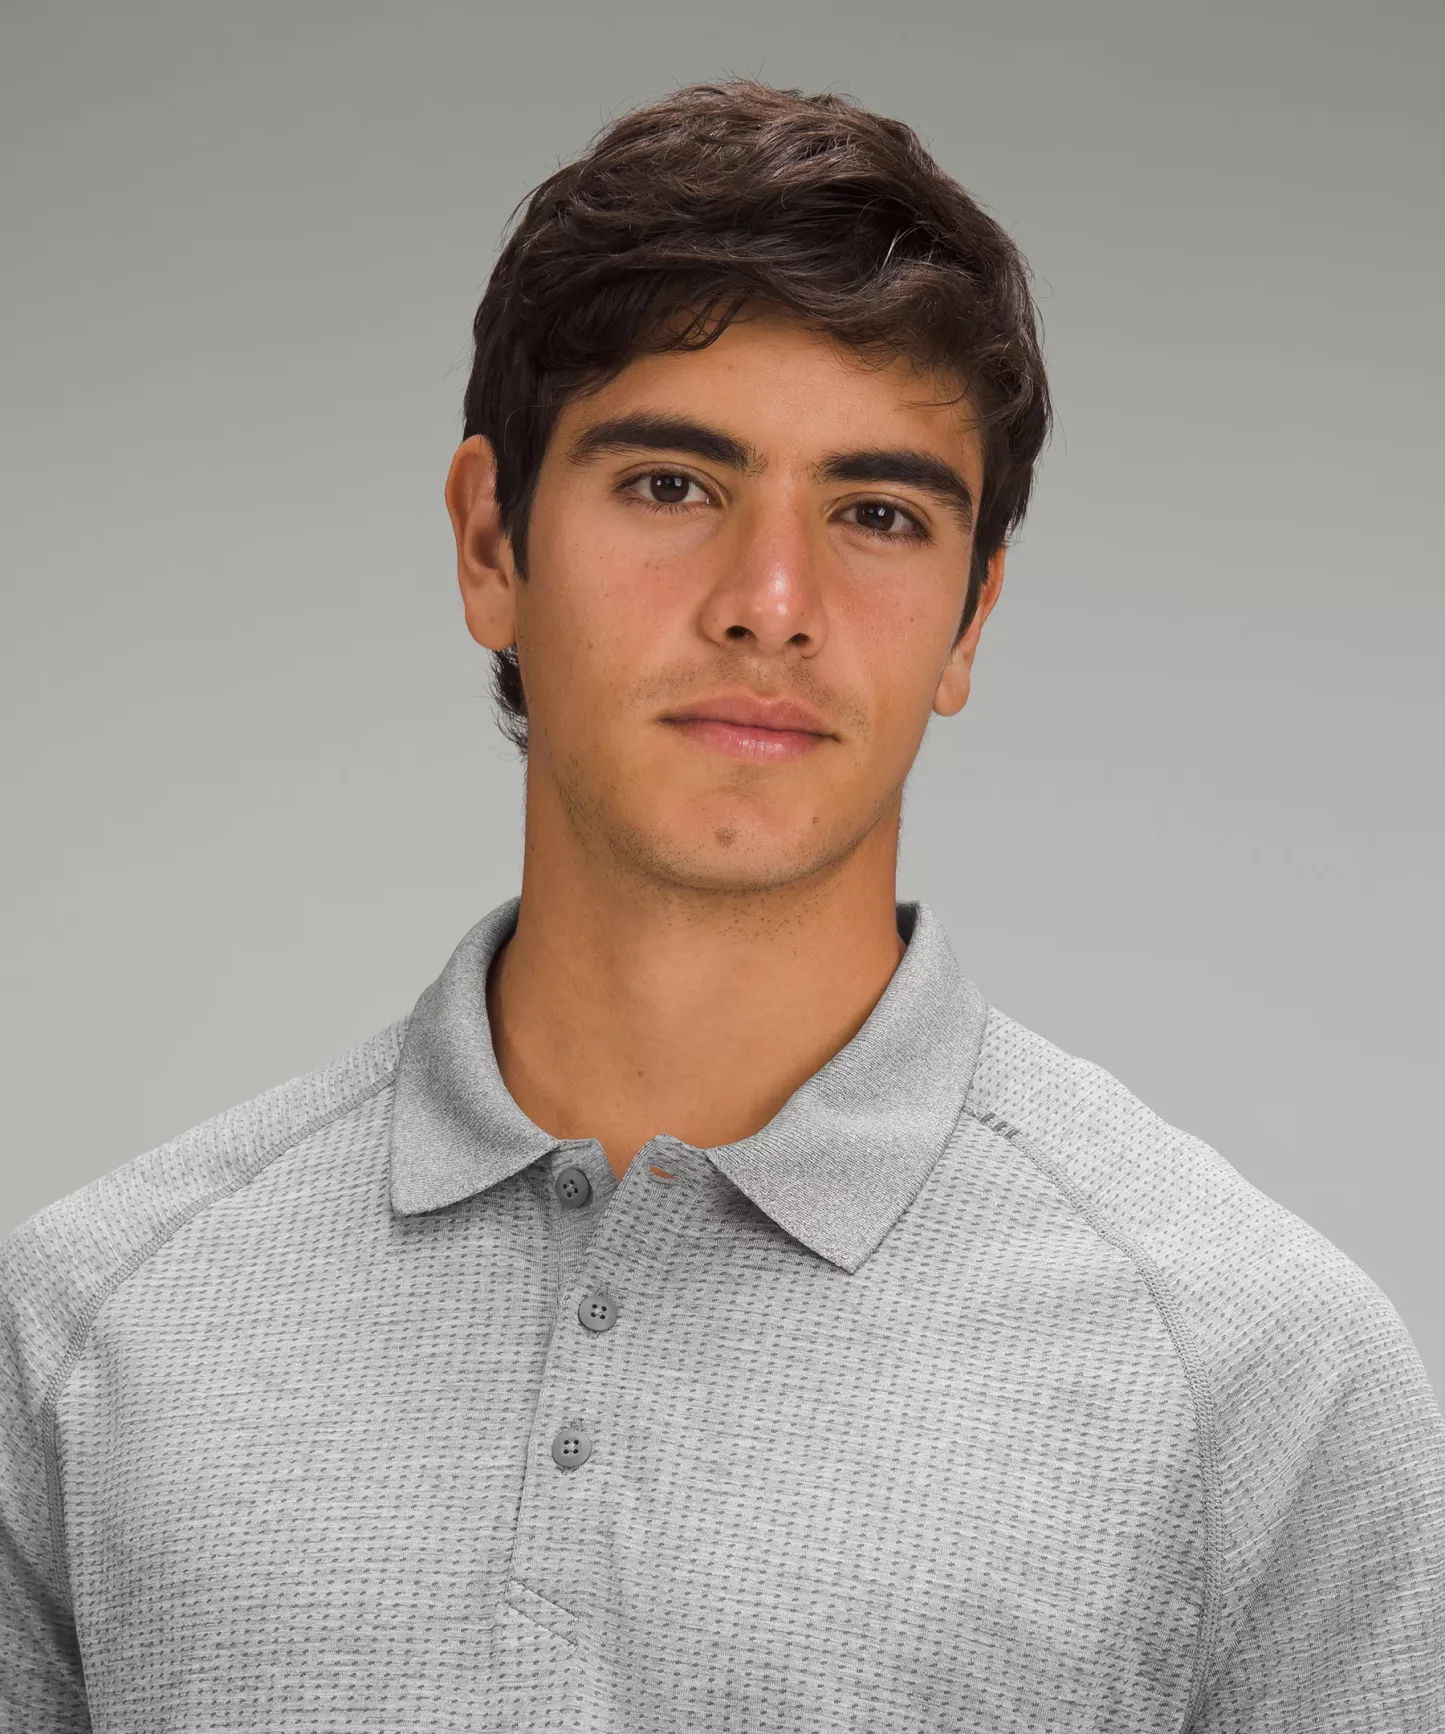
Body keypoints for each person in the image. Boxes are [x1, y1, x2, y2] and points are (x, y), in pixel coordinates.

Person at [2, 81, 1441, 1734]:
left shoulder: (1262, 1382)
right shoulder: (93, 1333)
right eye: (673, 484)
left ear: (971, 619)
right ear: (490, 543)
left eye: (878, 514)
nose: (772, 603)